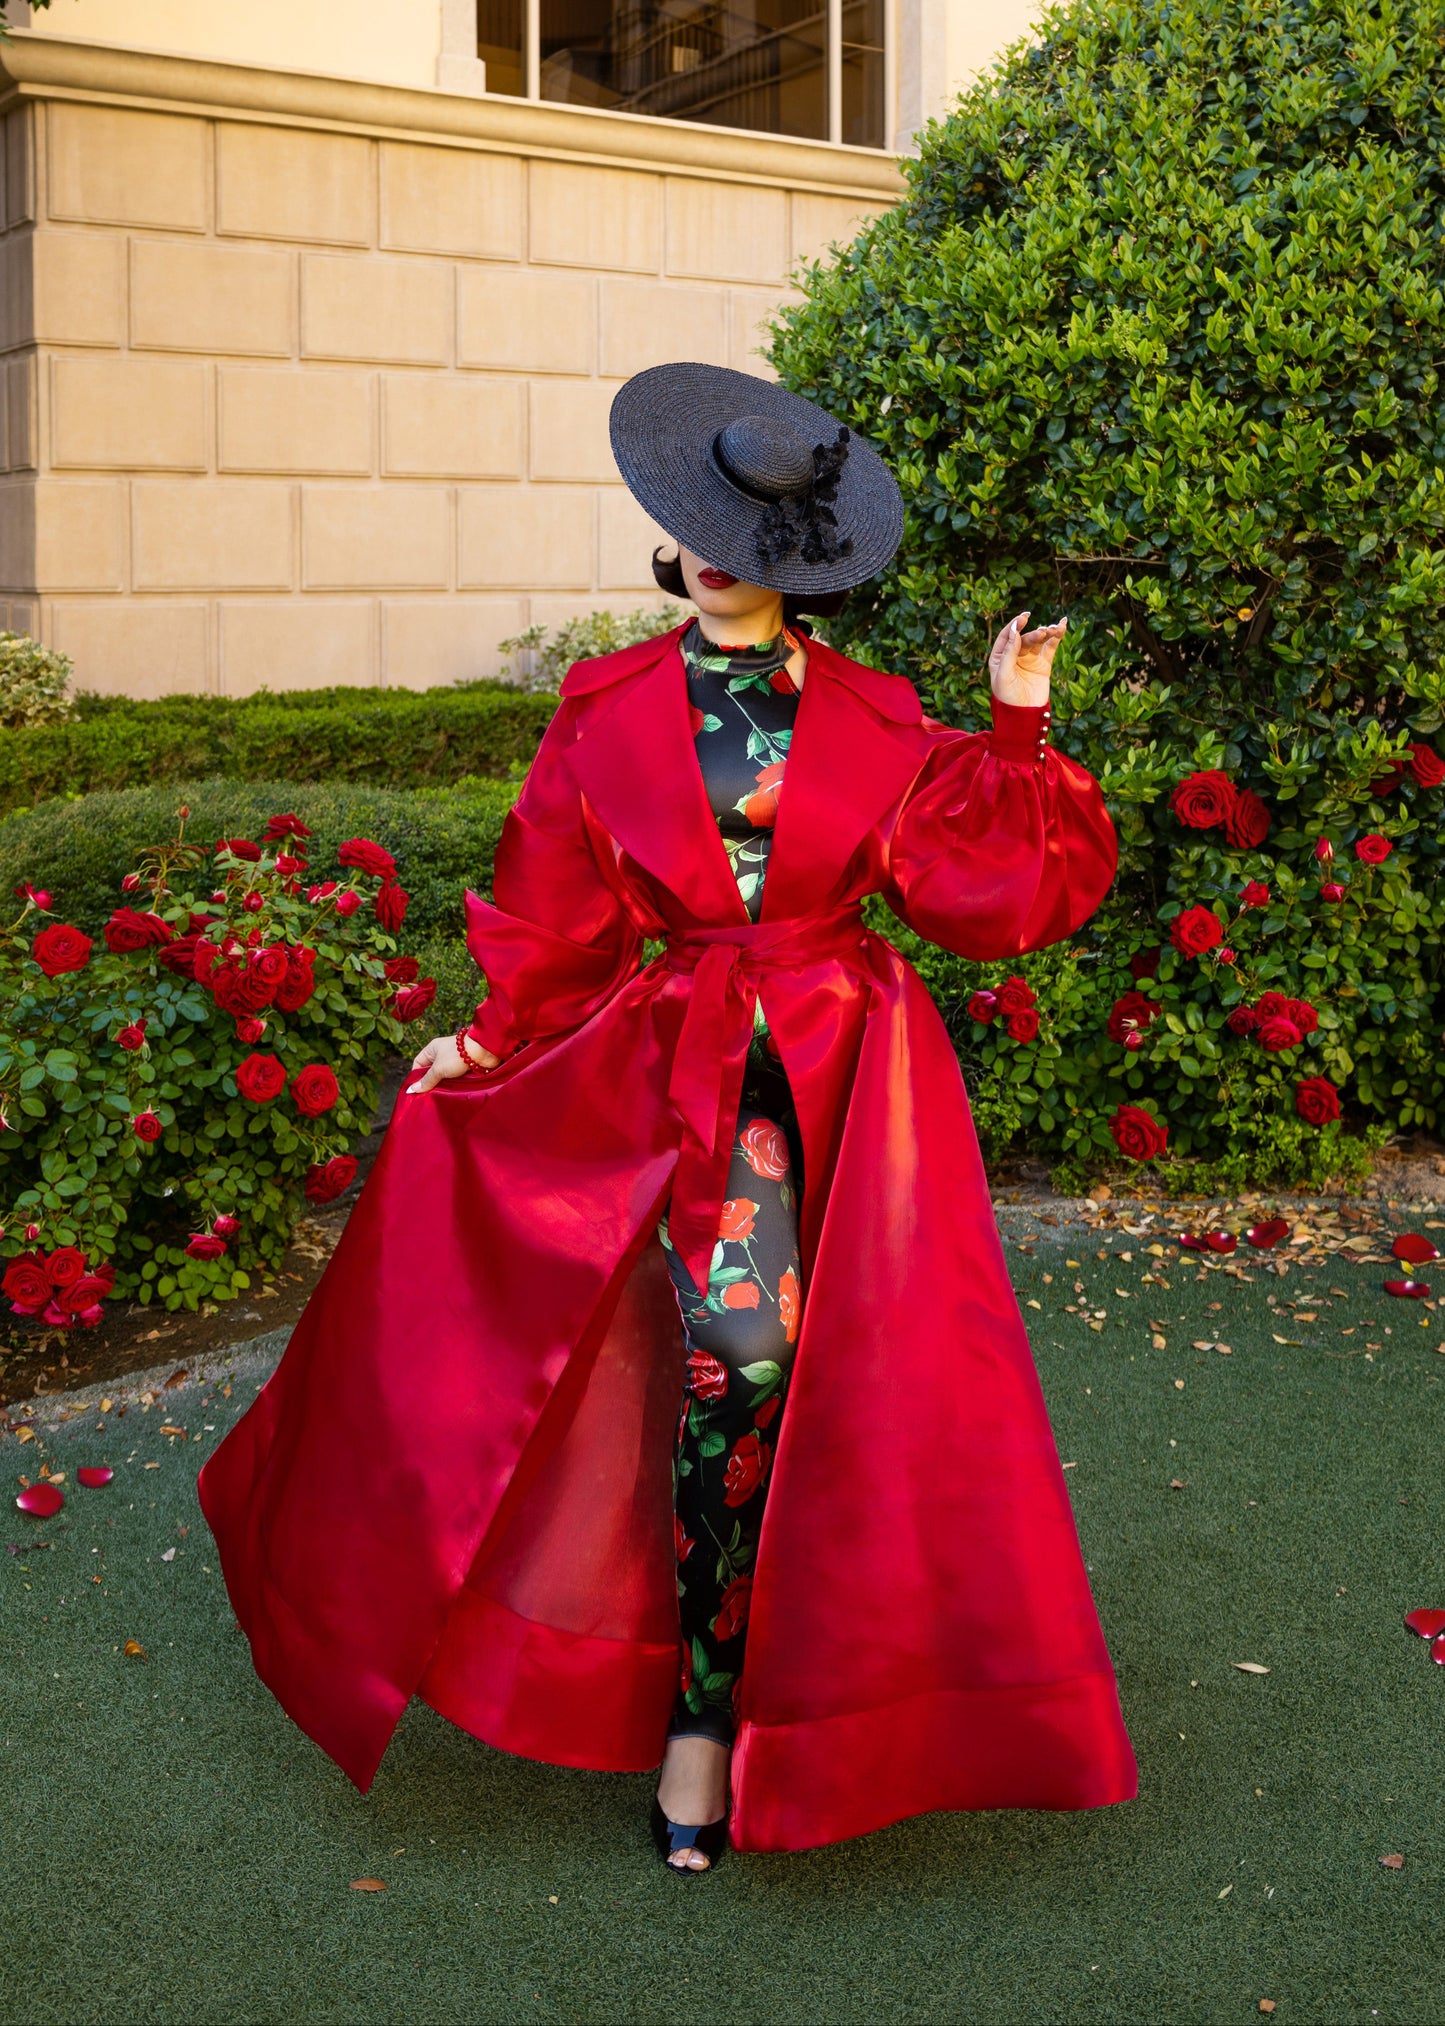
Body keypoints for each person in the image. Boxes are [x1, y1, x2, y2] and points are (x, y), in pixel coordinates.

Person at [199, 363, 1136, 1876]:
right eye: (698, 520)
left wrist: (1015, 725)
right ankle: (693, 1714)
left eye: (749, 534)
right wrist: (484, 1036)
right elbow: (551, 906)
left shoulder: (877, 716)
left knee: (808, 1387)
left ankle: (759, 1713)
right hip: (666, 1070)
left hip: (842, 1080)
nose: (714, 552)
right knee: (725, 1368)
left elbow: (987, 890)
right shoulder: (606, 706)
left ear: (797, 561)